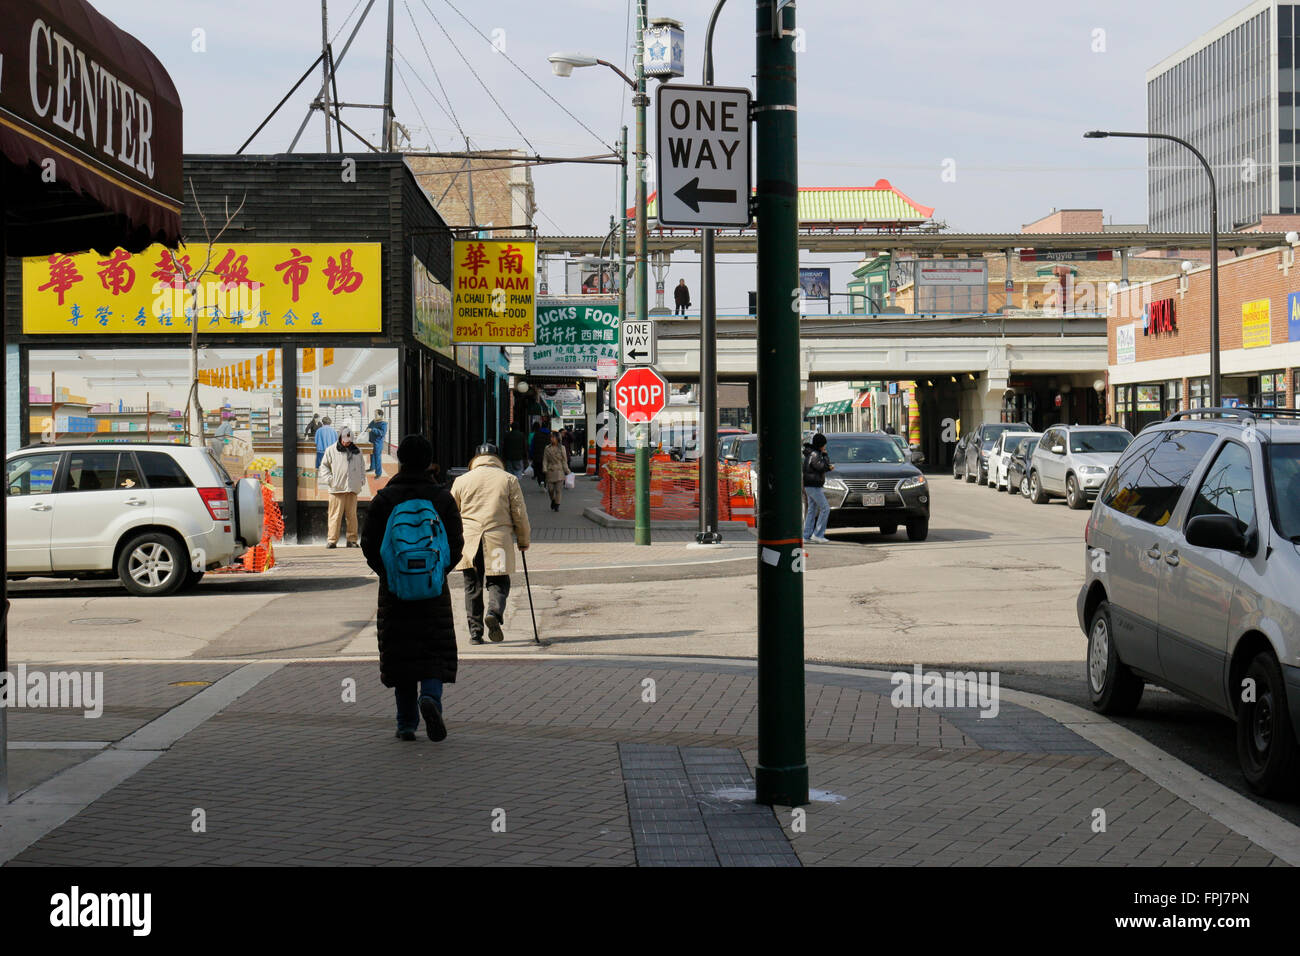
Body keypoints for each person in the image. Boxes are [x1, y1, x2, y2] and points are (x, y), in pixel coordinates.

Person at [361, 435, 464, 742]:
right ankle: (430, 698)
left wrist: (389, 573)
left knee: (402, 652)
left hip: (395, 590)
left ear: (401, 460)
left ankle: (406, 723)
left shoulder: (385, 499)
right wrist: (437, 571)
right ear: (428, 459)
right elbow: (456, 544)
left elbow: (369, 545)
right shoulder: (441, 498)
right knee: (433, 648)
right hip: (433, 590)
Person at [451, 443, 531, 645]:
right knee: (499, 581)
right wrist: (523, 540)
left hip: (469, 542)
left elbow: (451, 514)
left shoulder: (461, 481)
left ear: (475, 459)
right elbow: (519, 514)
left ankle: (475, 633)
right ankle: (494, 612)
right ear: (498, 459)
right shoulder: (509, 479)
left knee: (472, 586)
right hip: (498, 540)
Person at [318, 426, 367, 548]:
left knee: (352, 516)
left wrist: (361, 480)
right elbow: (323, 467)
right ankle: (332, 540)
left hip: (352, 489)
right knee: (335, 516)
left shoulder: (357, 451)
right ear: (340, 437)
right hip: (337, 489)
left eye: (349, 440)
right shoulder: (331, 450)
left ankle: (352, 540)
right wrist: (330, 480)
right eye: (345, 439)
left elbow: (362, 467)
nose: (347, 442)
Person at [802, 433, 833, 544]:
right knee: (825, 508)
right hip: (814, 485)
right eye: (824, 444)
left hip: (808, 485)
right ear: (821, 444)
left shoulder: (810, 453)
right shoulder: (816, 454)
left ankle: (806, 535)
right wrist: (825, 457)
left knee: (812, 510)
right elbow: (821, 467)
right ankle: (818, 534)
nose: (825, 447)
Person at [543, 431, 572, 512]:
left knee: (558, 490)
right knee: (550, 489)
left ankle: (557, 505)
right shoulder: (547, 448)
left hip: (559, 471)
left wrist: (567, 470)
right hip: (550, 470)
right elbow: (545, 460)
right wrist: (544, 468)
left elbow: (564, 460)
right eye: (551, 437)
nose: (551, 439)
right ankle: (553, 500)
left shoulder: (562, 448)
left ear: (558, 438)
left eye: (553, 437)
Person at [365, 409, 388, 479]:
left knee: (377, 457)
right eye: (374, 414)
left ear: (380, 415)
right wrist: (366, 430)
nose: (374, 416)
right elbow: (369, 426)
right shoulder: (374, 421)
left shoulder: (383, 423)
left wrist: (373, 430)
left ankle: (378, 473)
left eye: (376, 415)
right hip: (371, 441)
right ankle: (372, 467)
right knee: (372, 455)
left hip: (378, 442)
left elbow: (382, 433)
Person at [529, 423, 549, 488]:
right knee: (546, 470)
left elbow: (532, 446)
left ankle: (541, 482)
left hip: (537, 456)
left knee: (539, 470)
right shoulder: (550, 435)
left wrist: (531, 455)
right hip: (547, 456)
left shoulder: (536, 435)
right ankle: (545, 482)